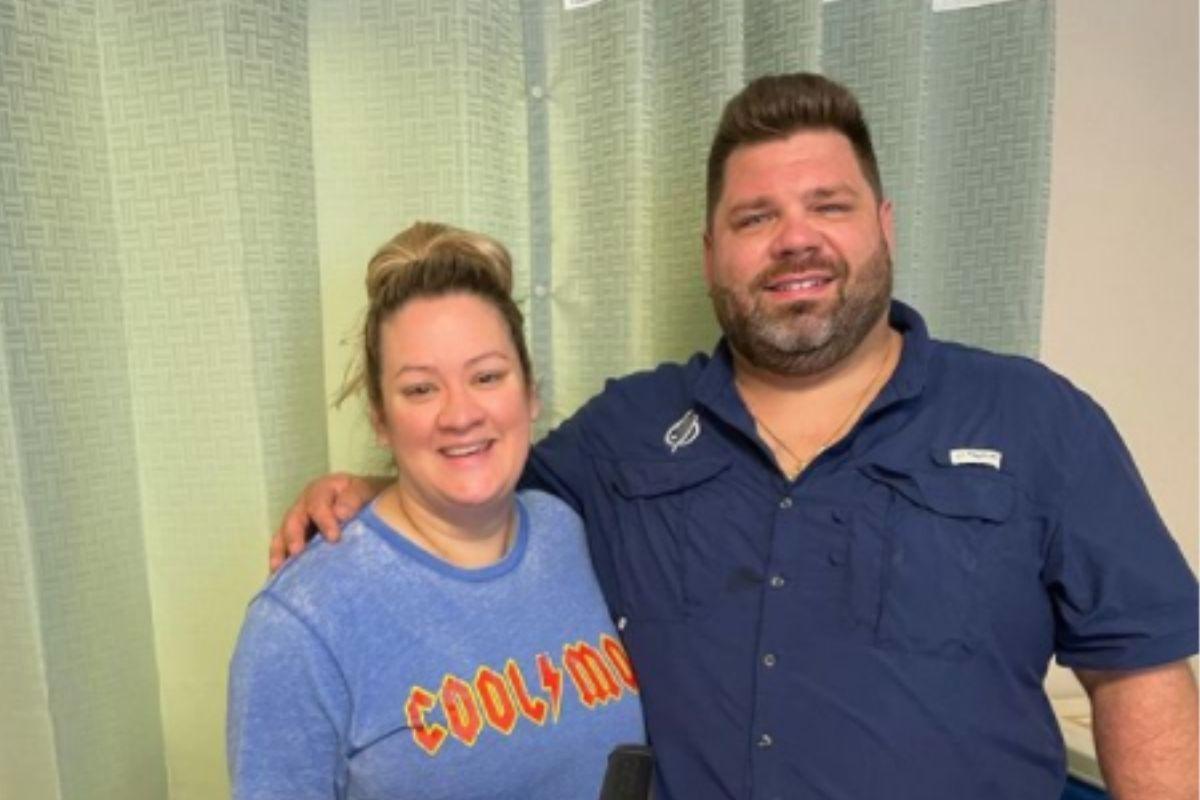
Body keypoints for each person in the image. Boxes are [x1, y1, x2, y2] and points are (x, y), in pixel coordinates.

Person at [273, 75, 1198, 799]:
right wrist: (371, 488)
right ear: (711, 252)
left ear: (884, 226)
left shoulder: (1036, 420)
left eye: (829, 206)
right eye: (756, 218)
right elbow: (478, 490)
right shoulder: (626, 434)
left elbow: (1139, 680)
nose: (795, 240)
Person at [228, 222, 644, 799]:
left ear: (529, 391)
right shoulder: (301, 624)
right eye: (421, 389)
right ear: (380, 416)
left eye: (487, 376)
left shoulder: (566, 531)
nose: (460, 414)